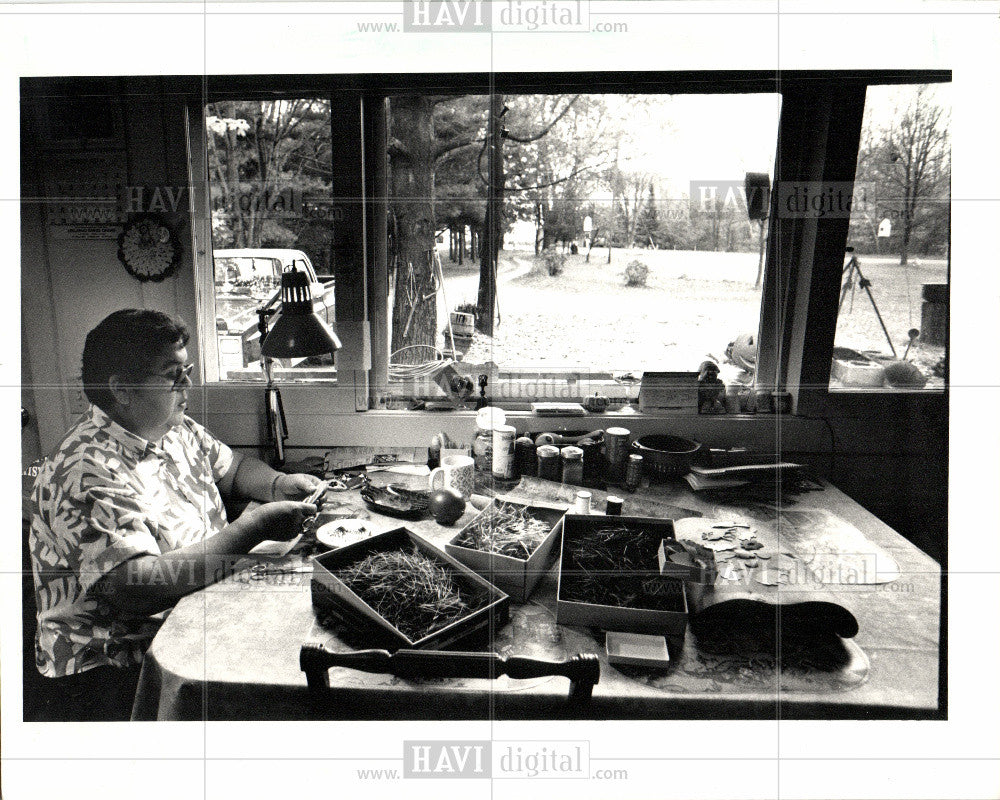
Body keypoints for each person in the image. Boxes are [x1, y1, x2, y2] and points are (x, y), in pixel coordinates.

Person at [28, 309, 321, 721]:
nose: (187, 385)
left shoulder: (172, 427)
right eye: (173, 375)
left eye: (187, 371)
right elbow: (139, 586)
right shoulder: (86, 470)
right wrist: (254, 527)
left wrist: (275, 484)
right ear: (123, 389)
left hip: (194, 615)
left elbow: (232, 467)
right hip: (115, 669)